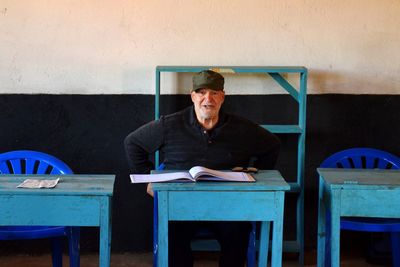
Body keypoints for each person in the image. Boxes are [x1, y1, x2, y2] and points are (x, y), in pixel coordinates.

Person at [124, 70, 280, 267]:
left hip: (227, 207)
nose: (208, 99)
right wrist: (147, 180)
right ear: (192, 96)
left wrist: (253, 173)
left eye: (214, 93)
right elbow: (132, 143)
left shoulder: (242, 128)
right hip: (180, 206)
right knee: (172, 236)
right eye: (201, 92)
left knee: (238, 233)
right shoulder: (170, 125)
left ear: (222, 97)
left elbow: (272, 145)